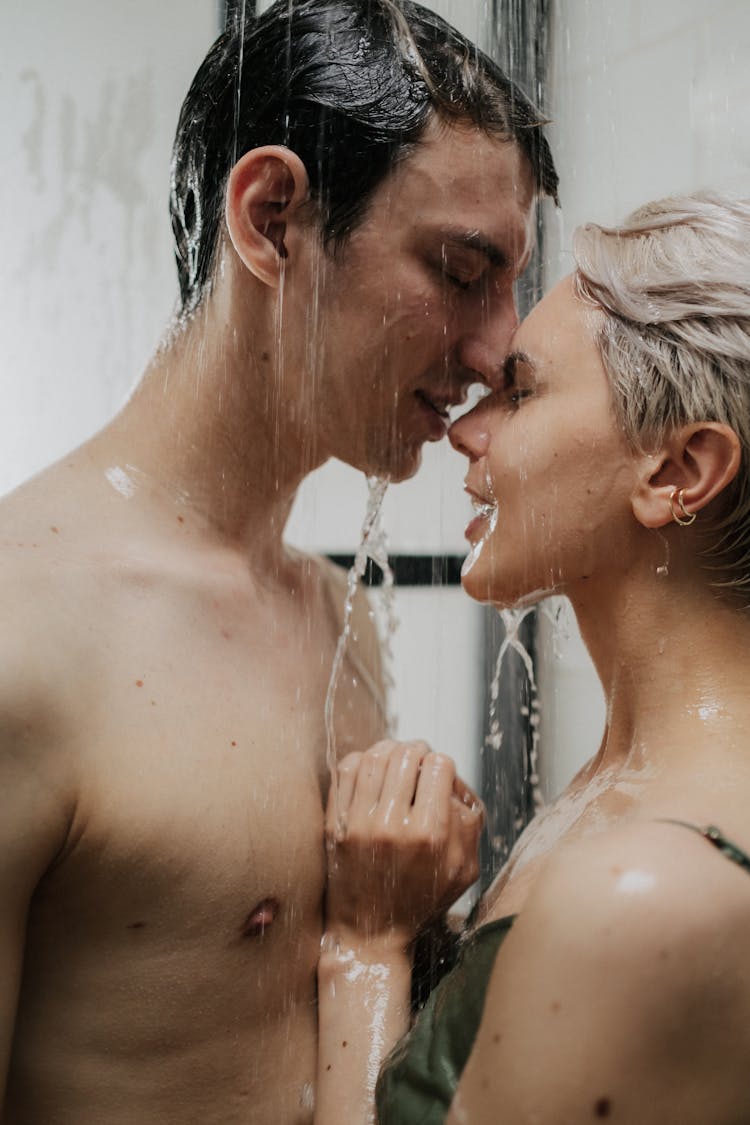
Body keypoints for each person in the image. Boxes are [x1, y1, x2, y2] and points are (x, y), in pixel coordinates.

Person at [0, 0, 558, 1121]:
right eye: (462, 270)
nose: (501, 350)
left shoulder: (332, 608)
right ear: (271, 218)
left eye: (510, 290)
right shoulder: (27, 635)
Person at [318, 191, 750, 1124]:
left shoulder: (646, 894)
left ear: (677, 470)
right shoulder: (623, 787)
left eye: (519, 390)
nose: (466, 430)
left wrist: (367, 947)